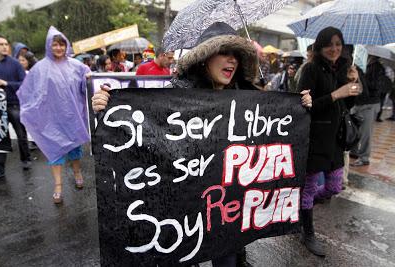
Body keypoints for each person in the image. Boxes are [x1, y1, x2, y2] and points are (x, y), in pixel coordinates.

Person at [92, 22, 312, 267]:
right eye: (224, 53)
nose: (232, 61)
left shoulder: (247, 95)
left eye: (236, 55)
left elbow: (273, 131)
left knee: (228, 258)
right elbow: (149, 130)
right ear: (205, 57)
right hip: (190, 203)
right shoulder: (178, 94)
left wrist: (298, 107)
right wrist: (107, 105)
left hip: (229, 205)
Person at [297, 27, 361, 257]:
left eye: (338, 44)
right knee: (309, 188)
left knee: (334, 186)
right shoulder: (310, 70)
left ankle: (300, 209)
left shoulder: (343, 69)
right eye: (329, 44)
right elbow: (304, 106)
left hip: (335, 140)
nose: (334, 49)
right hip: (315, 139)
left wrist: (352, 86)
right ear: (320, 46)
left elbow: (349, 106)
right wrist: (337, 94)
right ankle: (308, 232)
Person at [17, 26, 90, 204]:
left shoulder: (76, 66)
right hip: (51, 119)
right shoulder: (40, 68)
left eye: (62, 45)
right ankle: (58, 186)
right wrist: (30, 110)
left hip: (71, 117)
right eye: (55, 45)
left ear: (66, 46)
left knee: (74, 149)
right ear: (50, 45)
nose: (59, 48)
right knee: (54, 152)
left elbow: (86, 84)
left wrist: (88, 77)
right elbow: (30, 91)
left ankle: (77, 172)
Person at [0, 33, 31, 178]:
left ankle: (26, 159)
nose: (5, 47)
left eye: (6, 44)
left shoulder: (15, 64)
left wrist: (6, 83)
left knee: (21, 133)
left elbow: (25, 84)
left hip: (14, 105)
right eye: (1, 44)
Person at [349, 55, 381, 167]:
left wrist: (361, 76)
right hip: (358, 102)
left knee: (365, 133)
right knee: (355, 130)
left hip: (369, 104)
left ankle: (364, 157)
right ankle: (354, 152)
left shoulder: (377, 67)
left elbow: (375, 86)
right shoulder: (361, 64)